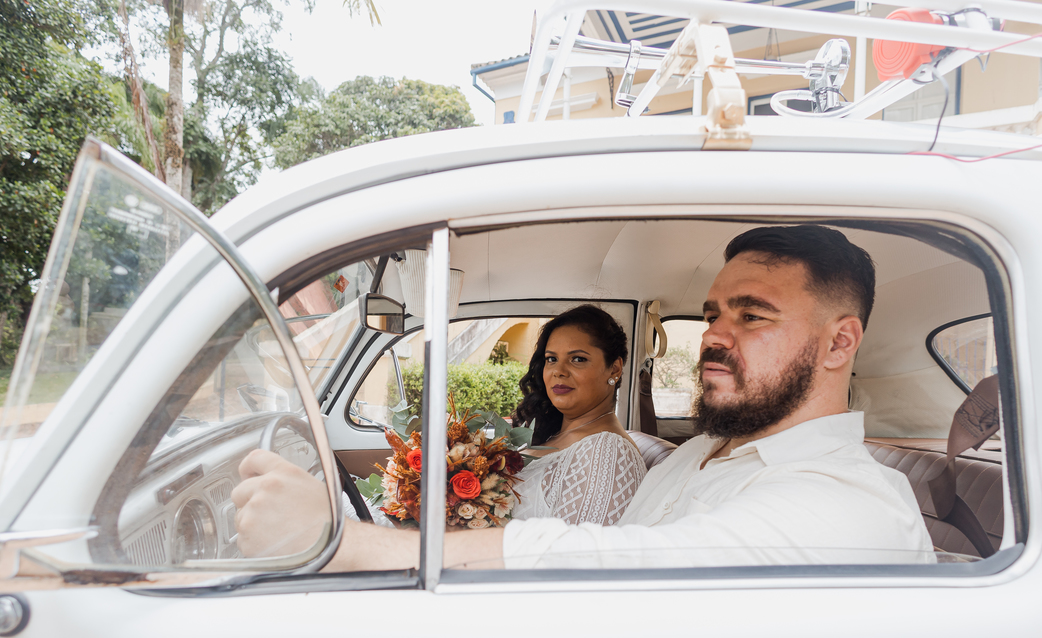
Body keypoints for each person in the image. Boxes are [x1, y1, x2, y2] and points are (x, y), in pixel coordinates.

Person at [232, 225, 932, 570]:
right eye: (714, 313)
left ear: (840, 343)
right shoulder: (704, 458)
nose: (715, 336)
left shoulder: (846, 506)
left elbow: (616, 564)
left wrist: (349, 544)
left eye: (752, 316)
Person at [509, 305, 647, 526]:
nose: (559, 370)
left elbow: (578, 556)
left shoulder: (607, 452)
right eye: (551, 359)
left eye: (578, 359)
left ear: (614, 369)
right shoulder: (553, 431)